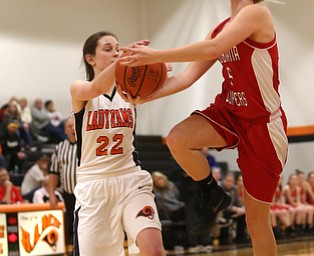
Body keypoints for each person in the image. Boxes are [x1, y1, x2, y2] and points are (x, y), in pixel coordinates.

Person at [119, 1, 288, 255]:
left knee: (256, 222)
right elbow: (186, 78)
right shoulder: (221, 28)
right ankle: (211, 193)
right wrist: (142, 98)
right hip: (230, 113)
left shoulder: (257, 13)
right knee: (178, 138)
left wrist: (156, 55)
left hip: (263, 125)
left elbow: (214, 48)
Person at [70, 31, 165, 256]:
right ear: (90, 58)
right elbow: (97, 88)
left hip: (131, 180)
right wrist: (125, 60)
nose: (116, 53)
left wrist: (155, 67)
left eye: (118, 48)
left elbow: (180, 81)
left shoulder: (130, 91)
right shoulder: (79, 89)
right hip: (94, 186)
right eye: (108, 48)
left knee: (154, 251)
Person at [48, 117, 77, 246]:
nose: (72, 129)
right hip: (69, 194)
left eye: (74, 125)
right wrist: (52, 194)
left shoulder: (87, 145)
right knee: (71, 224)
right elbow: (54, 173)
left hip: (87, 194)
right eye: (69, 126)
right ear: (65, 130)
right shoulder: (59, 147)